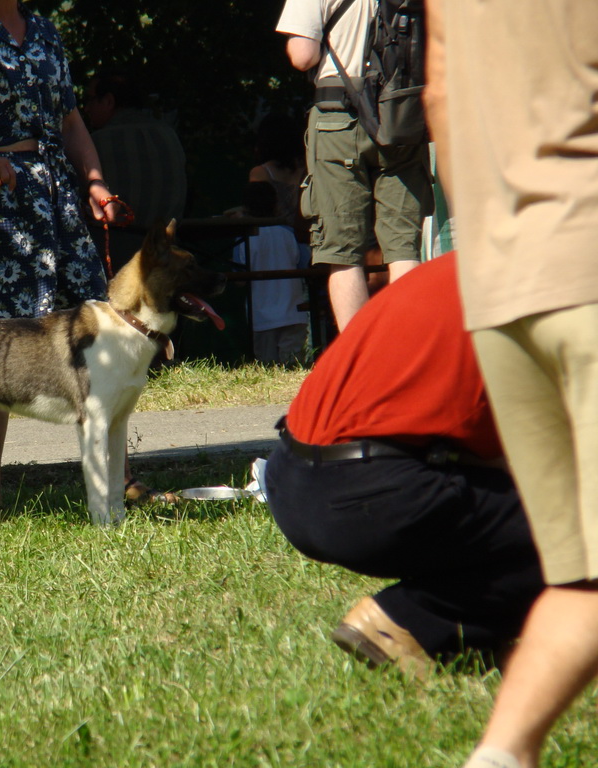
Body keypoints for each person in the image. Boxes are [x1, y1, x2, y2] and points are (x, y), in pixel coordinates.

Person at [0, 1, 168, 518]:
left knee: (101, 325)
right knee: (2, 346)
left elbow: (70, 120)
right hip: (1, 201)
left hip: (60, 197)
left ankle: (118, 482)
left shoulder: (44, 30)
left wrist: (95, 182)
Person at [423, 3, 598, 767]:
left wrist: (493, 237)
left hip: (501, 280)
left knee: (578, 579)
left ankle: (501, 754)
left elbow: (438, 92)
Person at [264, 253, 544, 677]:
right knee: (572, 531)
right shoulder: (546, 292)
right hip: (365, 494)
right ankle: (413, 619)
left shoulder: (457, 266)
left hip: (288, 474)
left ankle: (468, 645)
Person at [275, 0, 433, 331]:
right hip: (402, 119)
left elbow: (303, 56)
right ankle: (409, 350)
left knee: (343, 252)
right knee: (404, 247)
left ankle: (361, 360)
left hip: (339, 121)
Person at [84, 69, 188, 271]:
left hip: (114, 259)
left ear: (108, 101)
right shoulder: (170, 136)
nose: (86, 108)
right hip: (167, 256)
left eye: (89, 100)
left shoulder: (95, 145)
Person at [231, 181, 309, 366]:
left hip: (261, 317)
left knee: (267, 369)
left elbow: (239, 281)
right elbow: (305, 264)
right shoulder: (290, 233)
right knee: (294, 368)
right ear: (275, 203)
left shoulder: (244, 239)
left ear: (246, 206)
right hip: (293, 312)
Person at [247, 111, 307, 241]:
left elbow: (261, 214)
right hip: (307, 240)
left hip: (277, 241)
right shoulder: (308, 169)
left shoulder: (261, 172)